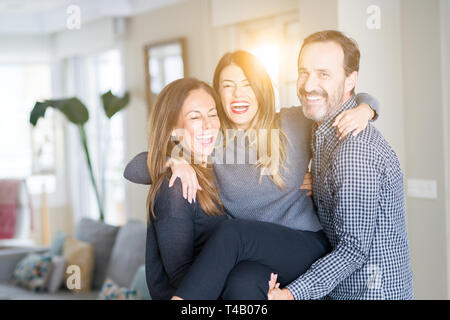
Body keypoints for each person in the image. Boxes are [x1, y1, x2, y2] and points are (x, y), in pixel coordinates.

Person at [125, 50, 380, 299]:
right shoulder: (215, 139)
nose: (238, 94)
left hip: (302, 244)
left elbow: (342, 100)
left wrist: (366, 109)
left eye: (247, 84)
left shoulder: (292, 122)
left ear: (260, 88)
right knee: (241, 285)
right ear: (219, 95)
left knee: (233, 234)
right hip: (249, 255)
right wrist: (172, 161)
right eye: (228, 86)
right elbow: (133, 168)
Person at [269, 30, 414, 300]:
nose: (308, 84)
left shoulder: (353, 151)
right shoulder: (323, 129)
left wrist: (291, 295)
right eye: (303, 72)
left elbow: (352, 249)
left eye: (324, 74)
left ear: (351, 79)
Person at [142, 77, 227, 299]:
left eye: (212, 113)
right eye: (195, 117)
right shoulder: (175, 187)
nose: (209, 125)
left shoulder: (216, 170)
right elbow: (181, 279)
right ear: (172, 129)